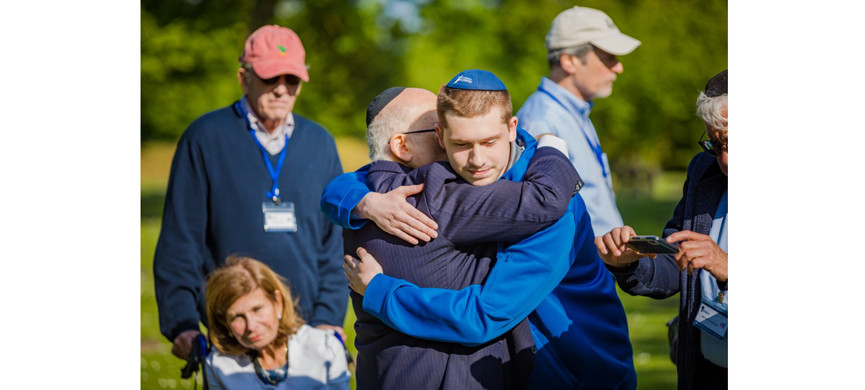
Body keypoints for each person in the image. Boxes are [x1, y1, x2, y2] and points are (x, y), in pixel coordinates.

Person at [327, 70, 636, 389]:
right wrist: (361, 201)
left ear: (512, 129)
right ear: (440, 136)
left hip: (580, 369)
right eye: (461, 144)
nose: (477, 160)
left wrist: (380, 289)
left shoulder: (553, 207)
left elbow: (484, 315)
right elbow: (367, 174)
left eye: (489, 142)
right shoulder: (460, 184)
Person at [153, 24, 347, 363]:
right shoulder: (204, 138)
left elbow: (333, 244)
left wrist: (328, 318)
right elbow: (180, 240)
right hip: (230, 329)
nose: (282, 90)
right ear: (244, 78)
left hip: (307, 331)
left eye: (292, 80)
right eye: (271, 78)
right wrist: (181, 322)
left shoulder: (321, 143)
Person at [595, 69, 728, 390]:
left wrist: (727, 267)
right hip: (710, 371)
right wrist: (630, 262)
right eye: (716, 143)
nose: (726, 160)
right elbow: (674, 265)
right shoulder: (704, 171)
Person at [517, 5, 641, 236]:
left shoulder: (574, 112)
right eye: (609, 57)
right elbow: (541, 221)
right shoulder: (541, 121)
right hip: (581, 270)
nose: (619, 67)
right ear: (569, 61)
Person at [203, 256, 350, 389]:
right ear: (224, 322)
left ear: (277, 303)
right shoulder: (219, 365)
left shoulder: (324, 348)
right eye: (237, 317)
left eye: (257, 309)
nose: (251, 326)